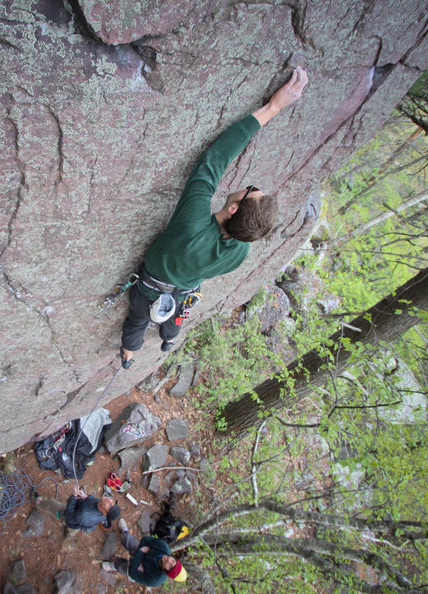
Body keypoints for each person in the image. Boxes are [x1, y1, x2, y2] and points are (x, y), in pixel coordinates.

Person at [120, 67, 310, 368]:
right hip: (184, 294)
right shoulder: (240, 250)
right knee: (176, 318)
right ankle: (169, 339)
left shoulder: (193, 223)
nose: (252, 186)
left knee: (138, 319)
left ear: (234, 208)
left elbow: (215, 159)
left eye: (252, 191)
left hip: (148, 290)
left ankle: (129, 356)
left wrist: (272, 108)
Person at [102, 518, 187, 586]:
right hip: (139, 550)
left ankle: (113, 565)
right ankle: (125, 532)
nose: (169, 560)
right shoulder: (164, 548)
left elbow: (132, 572)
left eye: (170, 565)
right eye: (173, 561)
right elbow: (146, 539)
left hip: (139, 559)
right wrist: (140, 550)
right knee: (127, 540)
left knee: (122, 567)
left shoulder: (155, 579)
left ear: (166, 571)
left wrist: (141, 552)